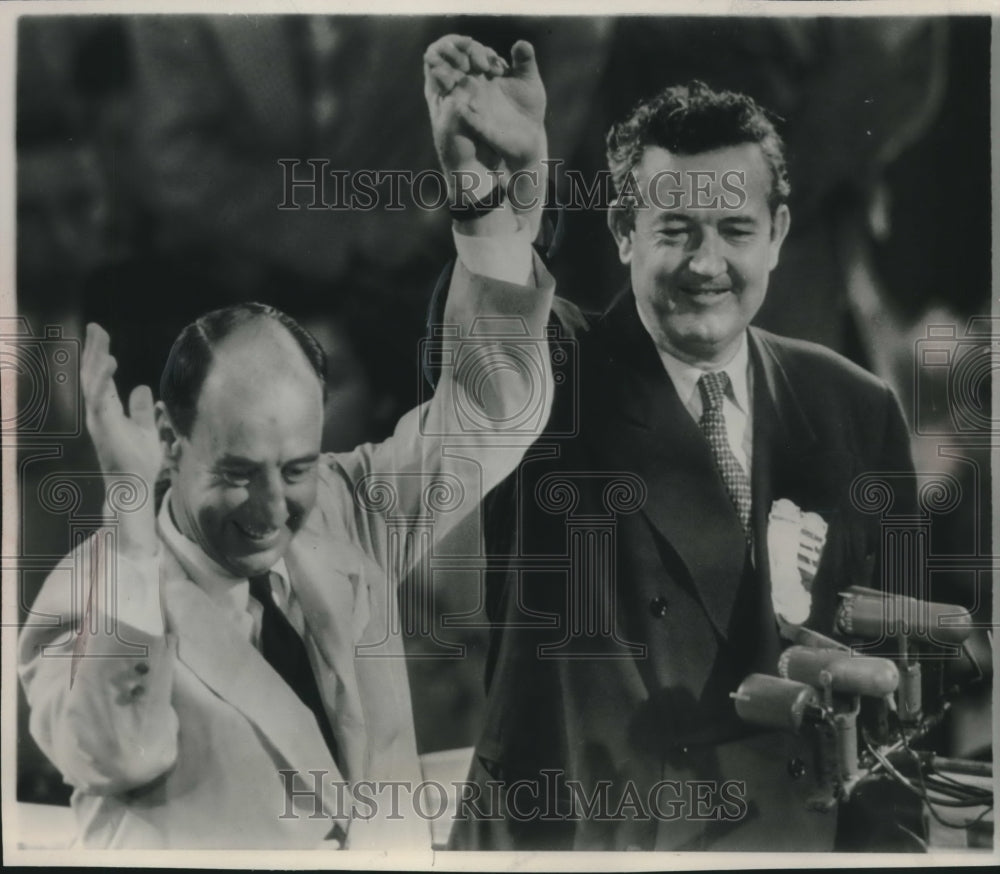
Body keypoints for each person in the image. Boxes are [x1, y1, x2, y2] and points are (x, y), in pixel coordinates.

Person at [18, 34, 553, 849]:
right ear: (167, 439)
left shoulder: (340, 510)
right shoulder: (84, 596)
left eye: (295, 466)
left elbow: (495, 410)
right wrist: (128, 525)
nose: (273, 510)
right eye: (238, 473)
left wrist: (489, 204)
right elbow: (116, 749)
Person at [442, 56, 918, 851]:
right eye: (676, 231)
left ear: (779, 236)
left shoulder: (855, 408)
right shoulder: (556, 375)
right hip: (580, 844)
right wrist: (498, 202)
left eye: (736, 231)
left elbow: (896, 689)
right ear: (625, 232)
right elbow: (495, 345)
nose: (708, 265)